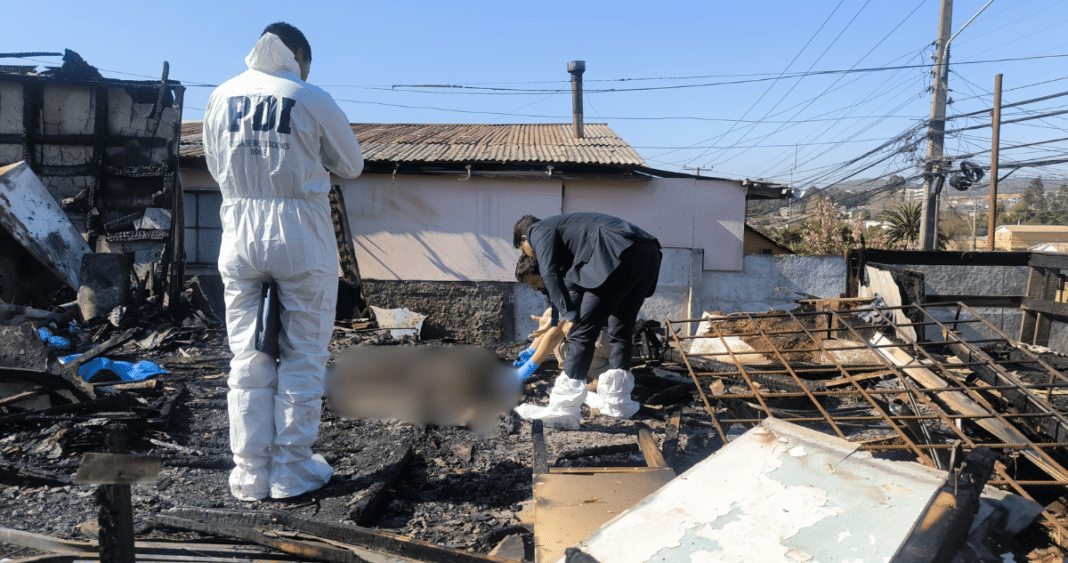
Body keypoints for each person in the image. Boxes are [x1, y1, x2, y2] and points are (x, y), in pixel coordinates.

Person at [203, 22, 364, 501]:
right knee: (303, 355)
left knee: (247, 357)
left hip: (238, 233)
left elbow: (214, 166)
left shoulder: (220, 96)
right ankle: (291, 469)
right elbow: (351, 166)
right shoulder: (309, 95)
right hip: (300, 234)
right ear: (299, 55)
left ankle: (250, 474)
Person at [511, 212, 662, 429]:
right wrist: (555, 314)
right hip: (647, 251)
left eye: (522, 249)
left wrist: (566, 315)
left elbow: (549, 272)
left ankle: (564, 409)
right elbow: (566, 286)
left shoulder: (537, 230)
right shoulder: (570, 241)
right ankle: (617, 401)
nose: (528, 255)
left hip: (615, 249)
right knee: (622, 328)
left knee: (581, 331)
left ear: (524, 239)